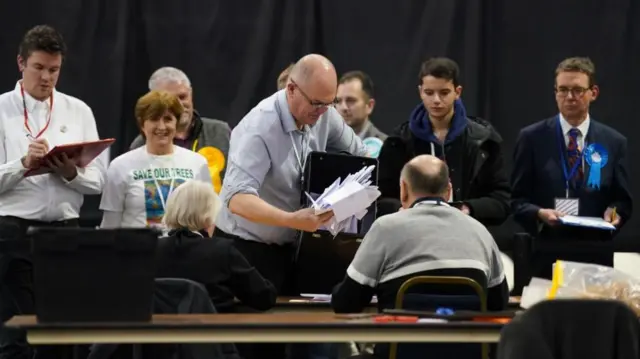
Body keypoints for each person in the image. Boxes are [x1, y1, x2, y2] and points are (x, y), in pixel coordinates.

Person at [216, 53, 367, 295]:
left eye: (330, 103)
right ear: (292, 89)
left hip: (295, 245)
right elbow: (237, 199)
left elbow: (362, 158)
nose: (322, 112)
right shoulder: (258, 128)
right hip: (247, 247)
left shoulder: (325, 112)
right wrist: (291, 220)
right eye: (316, 103)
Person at [332, 155, 507, 358]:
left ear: (403, 189)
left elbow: (345, 302)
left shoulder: (386, 227)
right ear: (449, 191)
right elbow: (498, 303)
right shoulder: (480, 231)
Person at [0, 24, 106, 359]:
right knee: (15, 335)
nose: (46, 78)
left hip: (64, 233)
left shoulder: (79, 110)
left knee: (62, 334)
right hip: (11, 233)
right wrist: (21, 163)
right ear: (21, 63)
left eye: (54, 70)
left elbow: (99, 181)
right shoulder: (1, 110)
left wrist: (71, 173)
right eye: (39, 68)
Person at [511, 57, 632, 278]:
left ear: (593, 93)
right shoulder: (532, 138)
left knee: (593, 313)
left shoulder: (614, 142)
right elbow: (517, 200)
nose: (569, 97)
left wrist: (614, 213)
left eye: (577, 90)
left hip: (595, 253)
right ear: (555, 92)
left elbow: (622, 201)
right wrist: (539, 213)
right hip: (547, 250)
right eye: (563, 90)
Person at [377, 57, 510, 226]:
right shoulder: (399, 141)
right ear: (420, 91)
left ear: (458, 92)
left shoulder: (483, 140)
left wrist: (467, 209)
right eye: (429, 93)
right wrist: (404, 210)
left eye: (444, 92)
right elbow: (379, 197)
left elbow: (502, 200)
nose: (436, 100)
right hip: (412, 232)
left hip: (465, 233)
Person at [100, 90, 212, 228]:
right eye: (154, 119)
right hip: (137, 248)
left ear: (176, 123)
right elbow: (110, 225)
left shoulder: (197, 163)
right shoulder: (120, 166)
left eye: (168, 119)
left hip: (185, 248)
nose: (161, 126)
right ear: (142, 124)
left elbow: (207, 220)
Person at [129, 67, 230, 193]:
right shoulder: (142, 144)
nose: (179, 105)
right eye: (169, 100)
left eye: (182, 97)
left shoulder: (220, 133)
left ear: (191, 93)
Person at [336, 71, 387, 158]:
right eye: (338, 101)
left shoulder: (384, 146)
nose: (343, 107)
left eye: (350, 100)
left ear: (369, 106)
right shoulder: (327, 143)